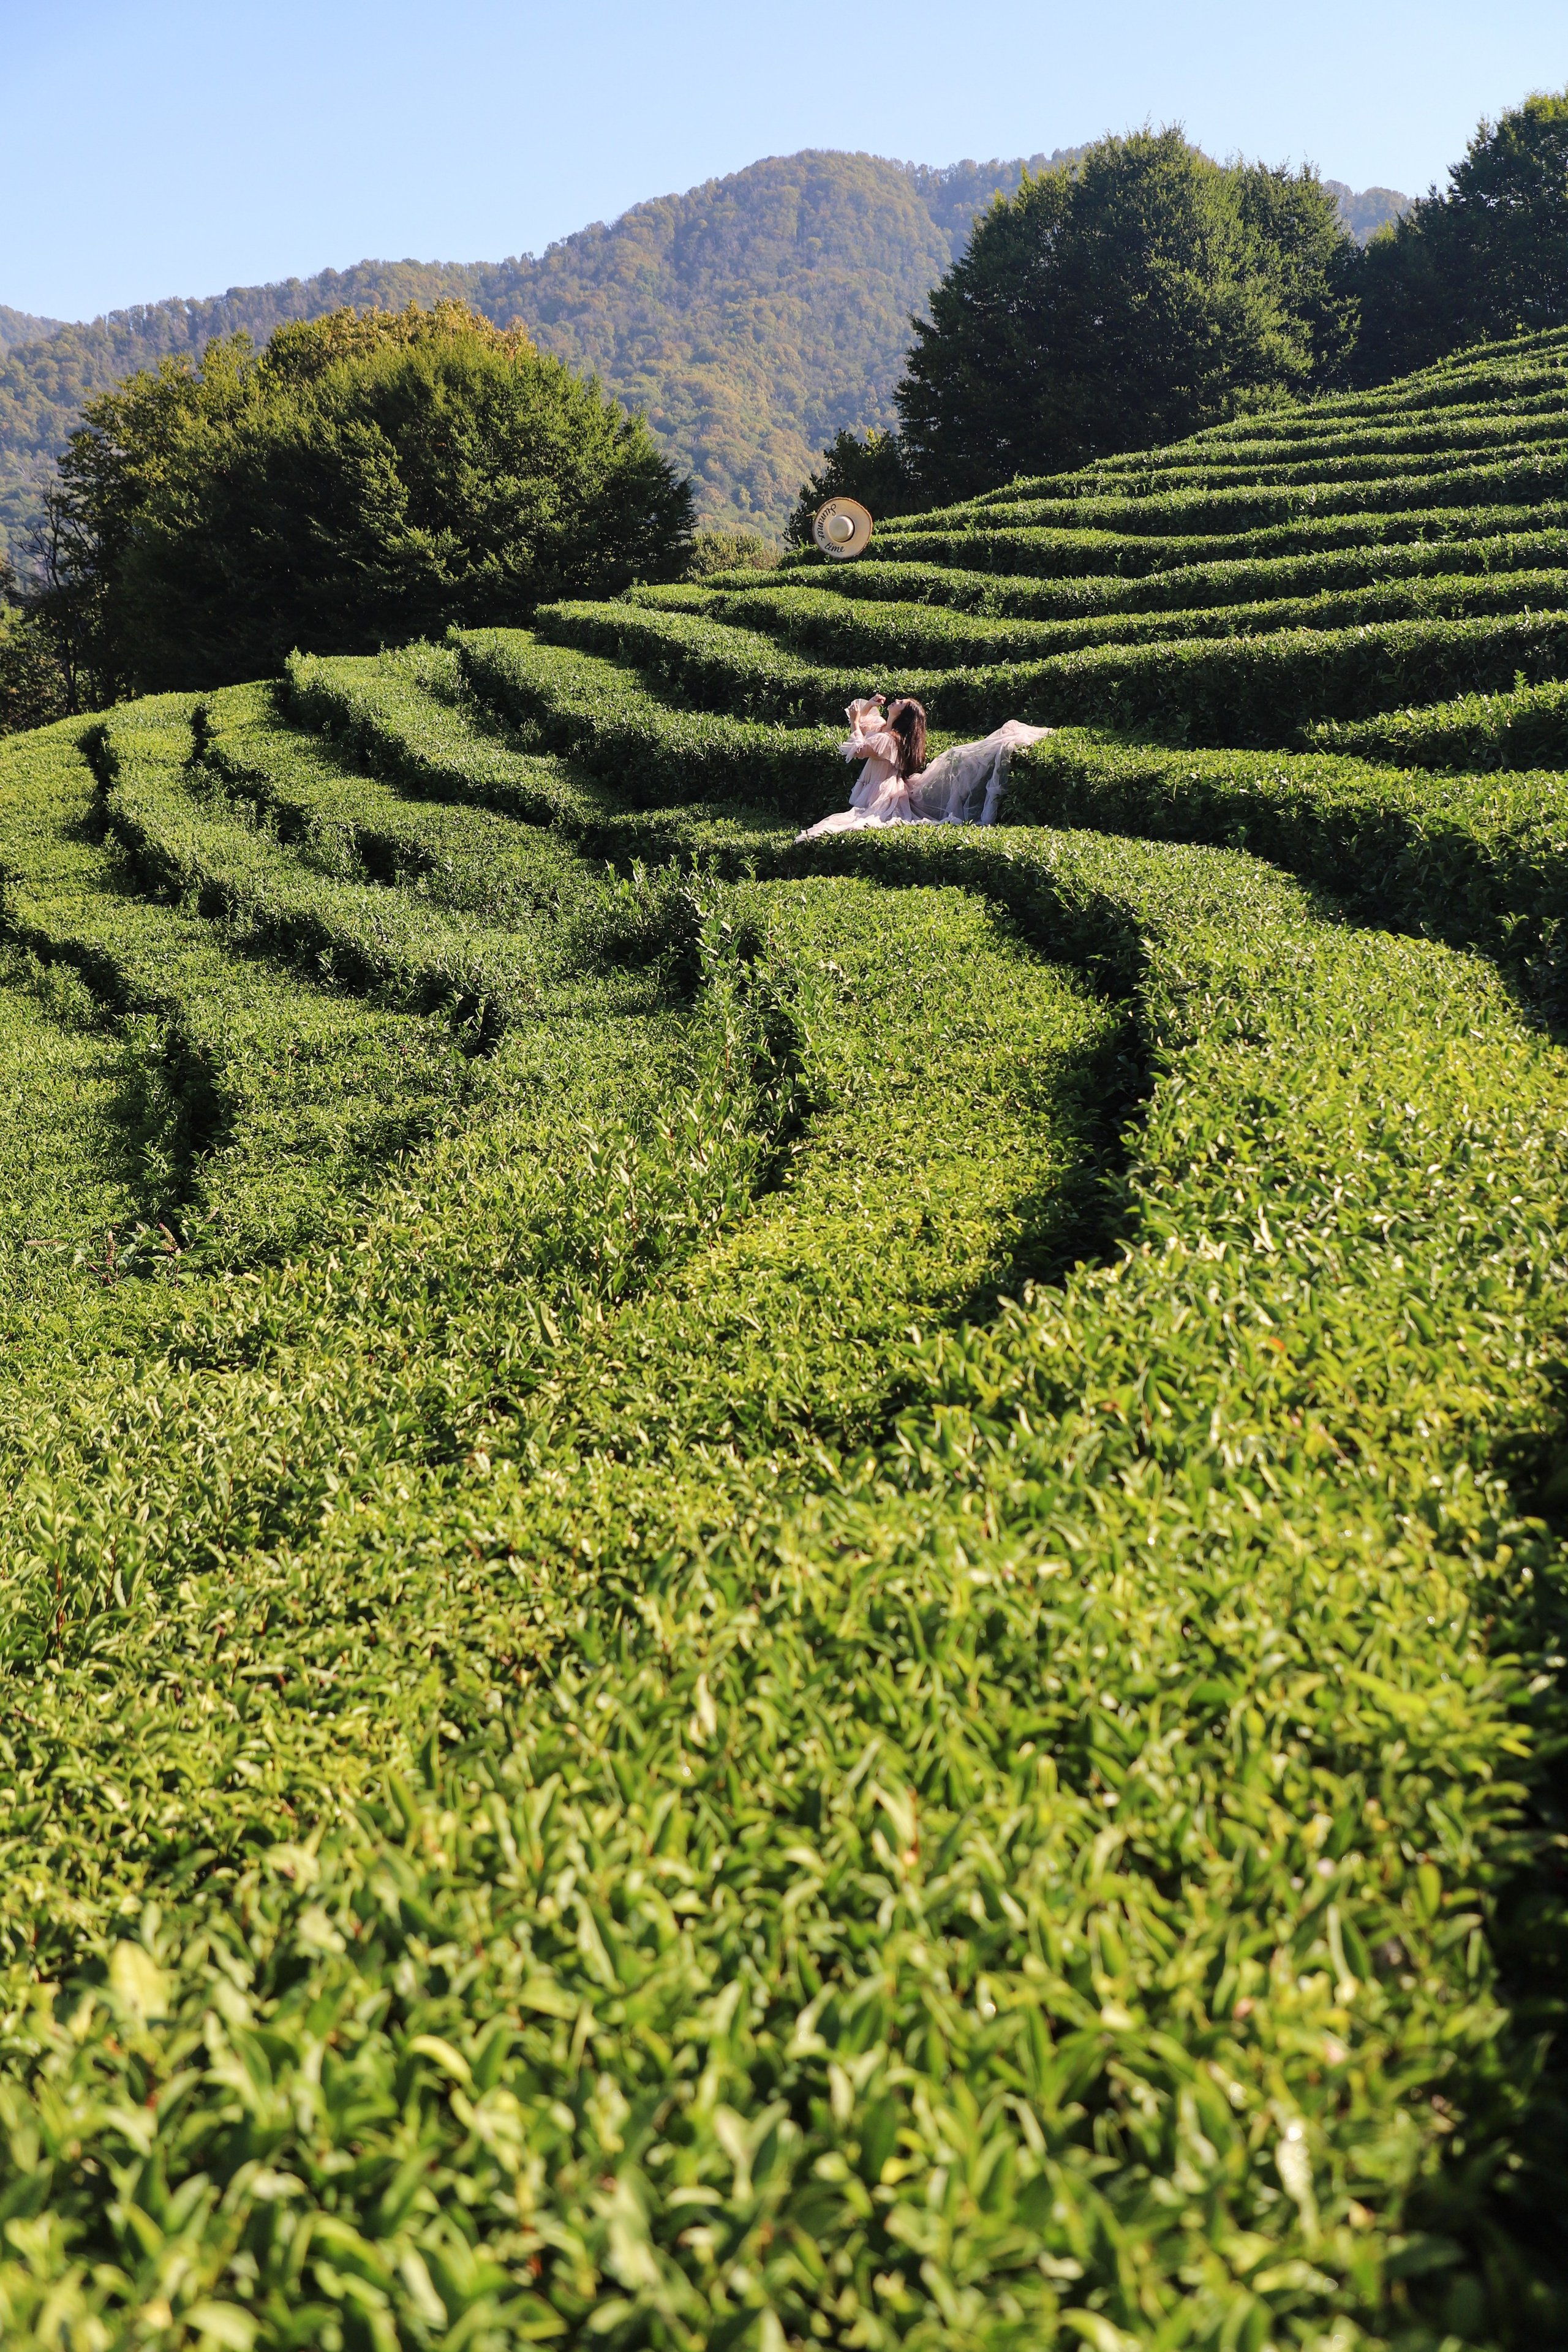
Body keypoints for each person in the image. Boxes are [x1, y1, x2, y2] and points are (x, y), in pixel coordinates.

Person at [796, 693, 1054, 839]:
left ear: (902, 716)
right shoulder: (885, 731)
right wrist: (871, 706)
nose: (895, 701)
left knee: (858, 820)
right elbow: (862, 718)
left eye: (901, 704)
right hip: (881, 784)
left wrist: (854, 723)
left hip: (882, 791)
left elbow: (861, 750)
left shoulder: (890, 740)